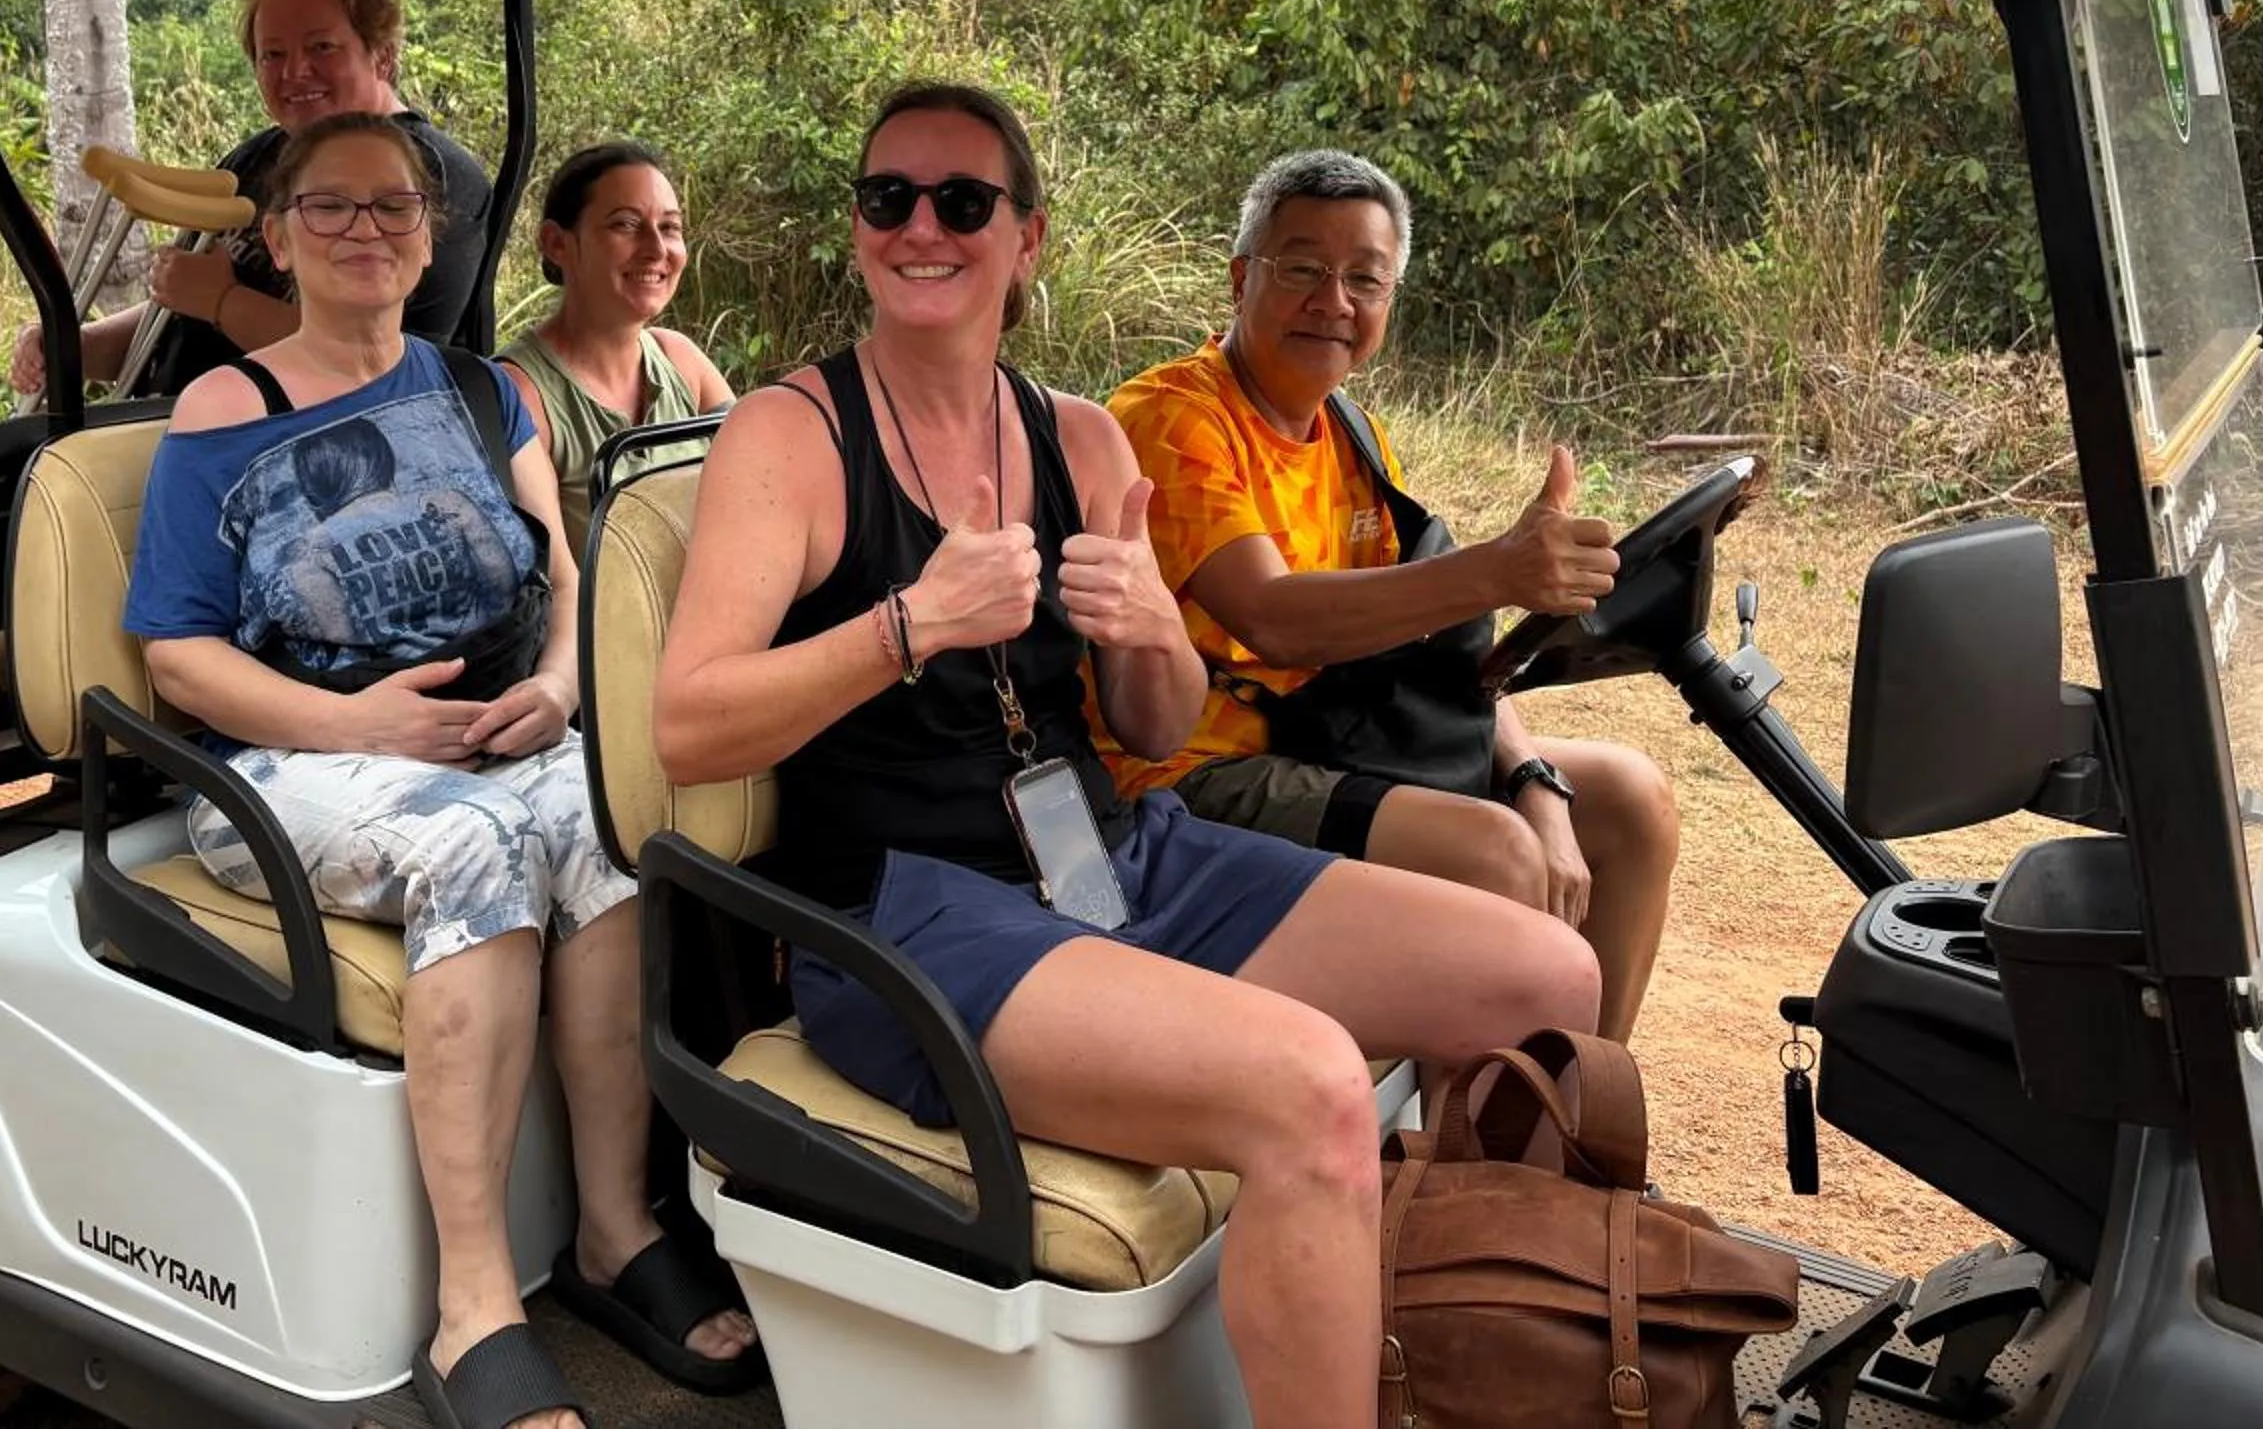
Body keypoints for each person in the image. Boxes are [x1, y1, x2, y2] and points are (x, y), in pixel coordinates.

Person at [658, 84, 1597, 1429]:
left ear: (1026, 237)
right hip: (906, 914)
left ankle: (1472, 1367)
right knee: (1317, 1088)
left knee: (1545, 974)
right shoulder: (792, 436)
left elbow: (1157, 727)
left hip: (1113, 855)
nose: (923, 226)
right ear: (860, 227)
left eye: (963, 201)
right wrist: (909, 624)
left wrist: (1154, 629)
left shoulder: (1079, 439)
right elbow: (687, 726)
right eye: (889, 198)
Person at [123, 111, 755, 1429]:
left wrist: (565, 685)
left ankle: (607, 1226)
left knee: (608, 815)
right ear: (282, 236)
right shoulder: (225, 410)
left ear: (431, 236)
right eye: (332, 208)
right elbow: (175, 654)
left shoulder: (478, 389)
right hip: (282, 761)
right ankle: (475, 1300)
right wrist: (363, 726)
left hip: (487, 728)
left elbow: (566, 570)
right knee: (475, 840)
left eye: (393, 208)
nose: (365, 231)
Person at [1101, 148, 1681, 1043]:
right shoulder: (1174, 419)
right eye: (1303, 269)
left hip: (1337, 737)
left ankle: (1576, 1116)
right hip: (1192, 773)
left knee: (1628, 798)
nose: (1333, 302)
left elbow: (1443, 650)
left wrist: (1532, 778)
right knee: (1491, 855)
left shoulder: (1354, 435)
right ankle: (1465, 1153)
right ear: (1239, 278)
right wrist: (1495, 569)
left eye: (1364, 279)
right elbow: (1274, 616)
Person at [12, 0, 494, 402]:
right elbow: (183, 309)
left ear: (381, 56)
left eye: (322, 47)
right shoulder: (256, 158)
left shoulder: (428, 176)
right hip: (173, 430)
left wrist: (225, 301)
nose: (296, 72)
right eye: (273, 55)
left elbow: (386, 370)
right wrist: (68, 348)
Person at [498, 142, 736, 550]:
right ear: (557, 243)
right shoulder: (521, 394)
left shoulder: (683, 361)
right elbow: (552, 585)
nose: (657, 250)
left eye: (670, 227)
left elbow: (761, 484)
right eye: (625, 225)